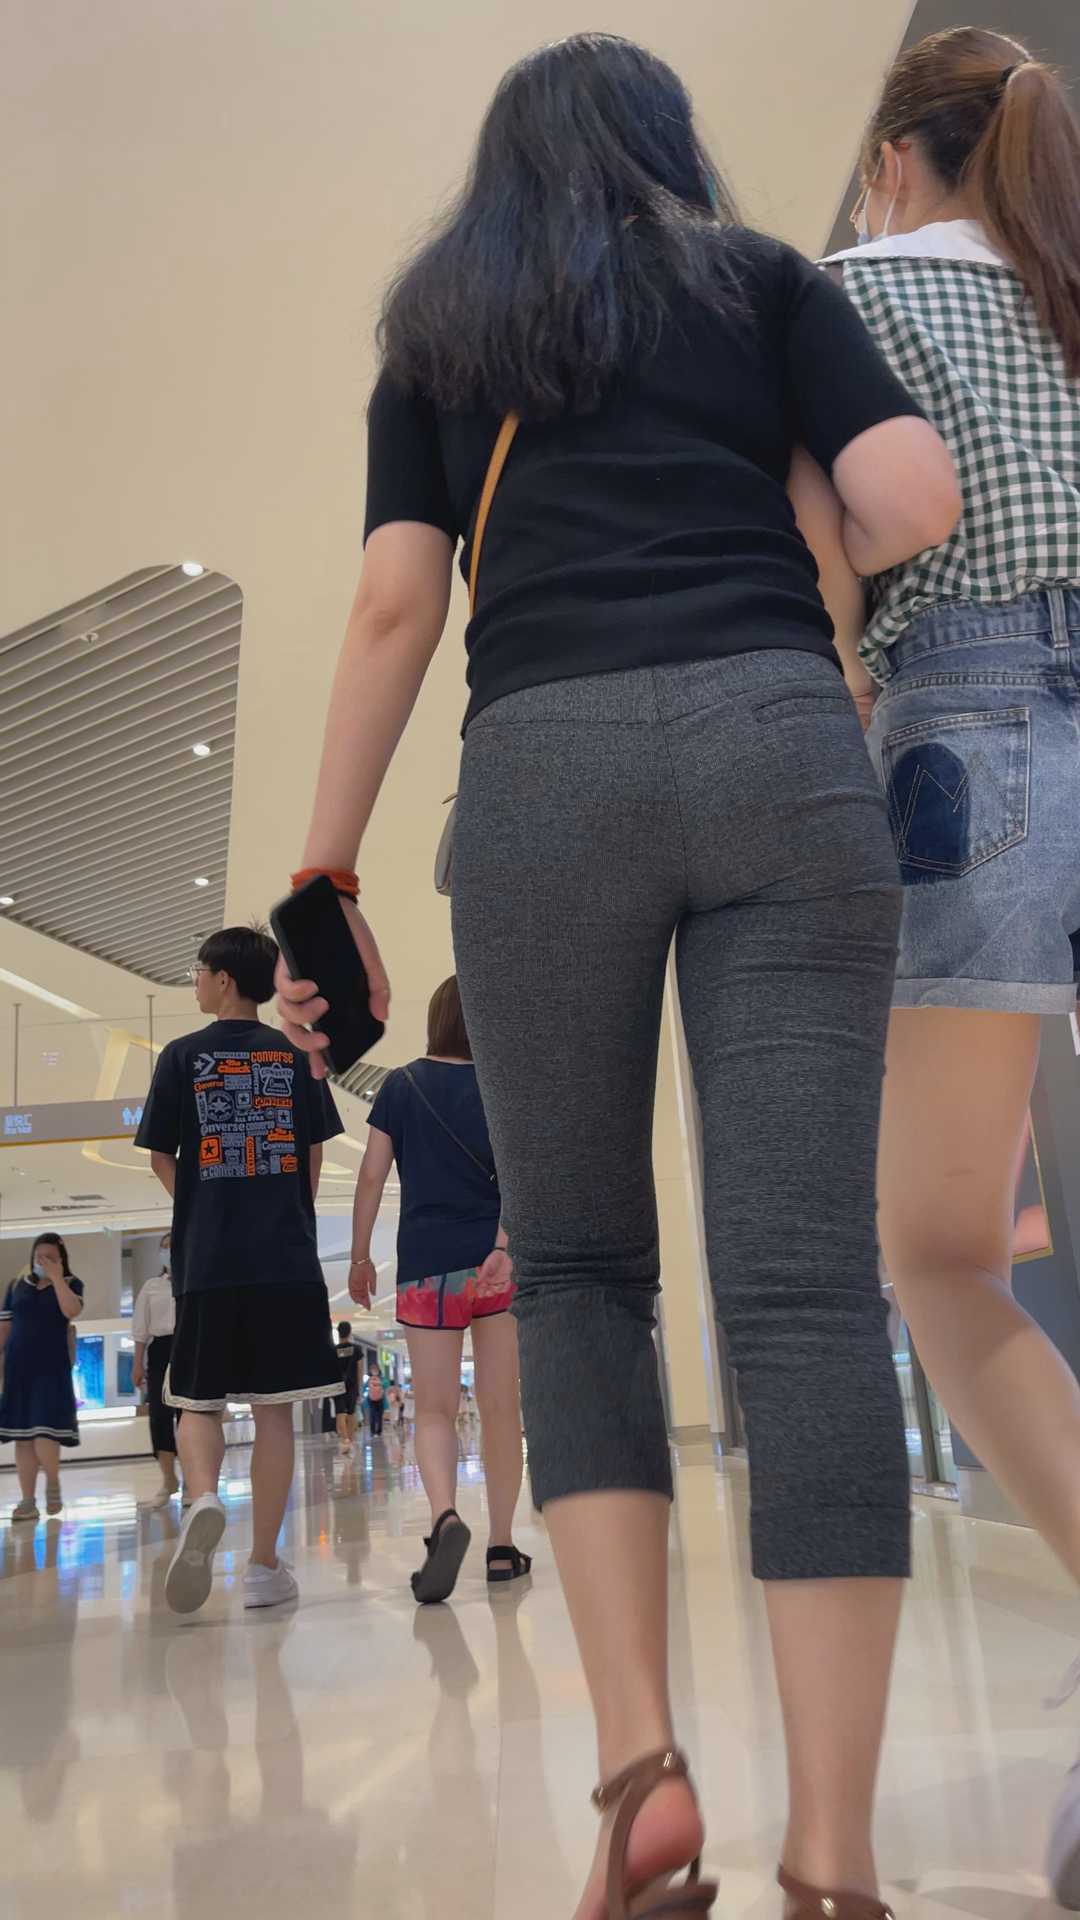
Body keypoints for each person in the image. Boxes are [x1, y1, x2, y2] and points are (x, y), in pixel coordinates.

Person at [276, 35, 960, 1920]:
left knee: (577, 1272)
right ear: (672, 145)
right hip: (779, 747)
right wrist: (806, 520)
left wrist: (325, 869)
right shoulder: (765, 285)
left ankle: (646, 1781)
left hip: (542, 775)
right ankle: (835, 1857)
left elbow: (396, 604)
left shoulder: (439, 330)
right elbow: (913, 496)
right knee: (805, 1288)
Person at [811, 28, 1080, 1905]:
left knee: (940, 1255)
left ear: (895, 161)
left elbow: (832, 566)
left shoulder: (851, 296)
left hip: (966, 735)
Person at [136, 925, 345, 1615]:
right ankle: (262, 1567)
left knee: (197, 1400)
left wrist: (201, 1208)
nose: (195, 982)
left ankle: (203, 1497)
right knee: (275, 1410)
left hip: (209, 1259)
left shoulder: (180, 1056)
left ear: (224, 979)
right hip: (285, 1258)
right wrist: (286, 1209)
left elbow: (160, 1154)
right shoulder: (297, 1054)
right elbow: (313, 1154)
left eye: (199, 971)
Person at [348, 977, 529, 1604]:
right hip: (495, 1266)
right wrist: (504, 1245)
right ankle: (502, 1547)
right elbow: (522, 1177)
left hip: (426, 1267)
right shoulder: (502, 1084)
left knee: (432, 1410)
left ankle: (445, 1517)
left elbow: (371, 1177)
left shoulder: (400, 1085)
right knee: (501, 1407)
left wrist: (360, 1256)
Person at [0, 1234, 84, 1521]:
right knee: (22, 1436)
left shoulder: (71, 1284)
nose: (43, 1261)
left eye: (50, 1257)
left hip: (51, 1367)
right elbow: (5, 1328)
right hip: (18, 1368)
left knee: (44, 1429)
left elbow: (71, 1310)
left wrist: (57, 1278)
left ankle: (52, 1481)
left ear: (61, 1259)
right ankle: (27, 1501)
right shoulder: (16, 1286)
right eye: (39, 1256)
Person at [132, 1231, 182, 1510]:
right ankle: (168, 1479)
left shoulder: (195, 1279)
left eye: (173, 1246)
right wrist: (137, 1363)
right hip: (161, 1350)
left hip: (189, 1347)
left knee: (189, 1416)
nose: (168, 1252)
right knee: (160, 1416)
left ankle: (195, 1481)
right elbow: (140, 1329)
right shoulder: (151, 1286)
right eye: (164, 1247)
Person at [334, 1319, 360, 1454]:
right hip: (352, 1385)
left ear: (338, 1332)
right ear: (349, 1332)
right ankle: (350, 1440)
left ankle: (345, 1440)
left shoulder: (333, 1350)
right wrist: (359, 1388)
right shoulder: (356, 1349)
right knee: (351, 1413)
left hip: (337, 1385)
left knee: (340, 1413)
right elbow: (359, 1369)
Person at [364, 1361, 385, 1437]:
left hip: (379, 1399)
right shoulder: (370, 1379)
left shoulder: (381, 1378)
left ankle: (378, 1431)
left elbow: (385, 1386)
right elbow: (364, 1388)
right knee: (374, 1415)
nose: (374, 1370)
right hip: (372, 1399)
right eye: (373, 1369)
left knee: (378, 1415)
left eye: (375, 1369)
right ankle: (374, 1431)